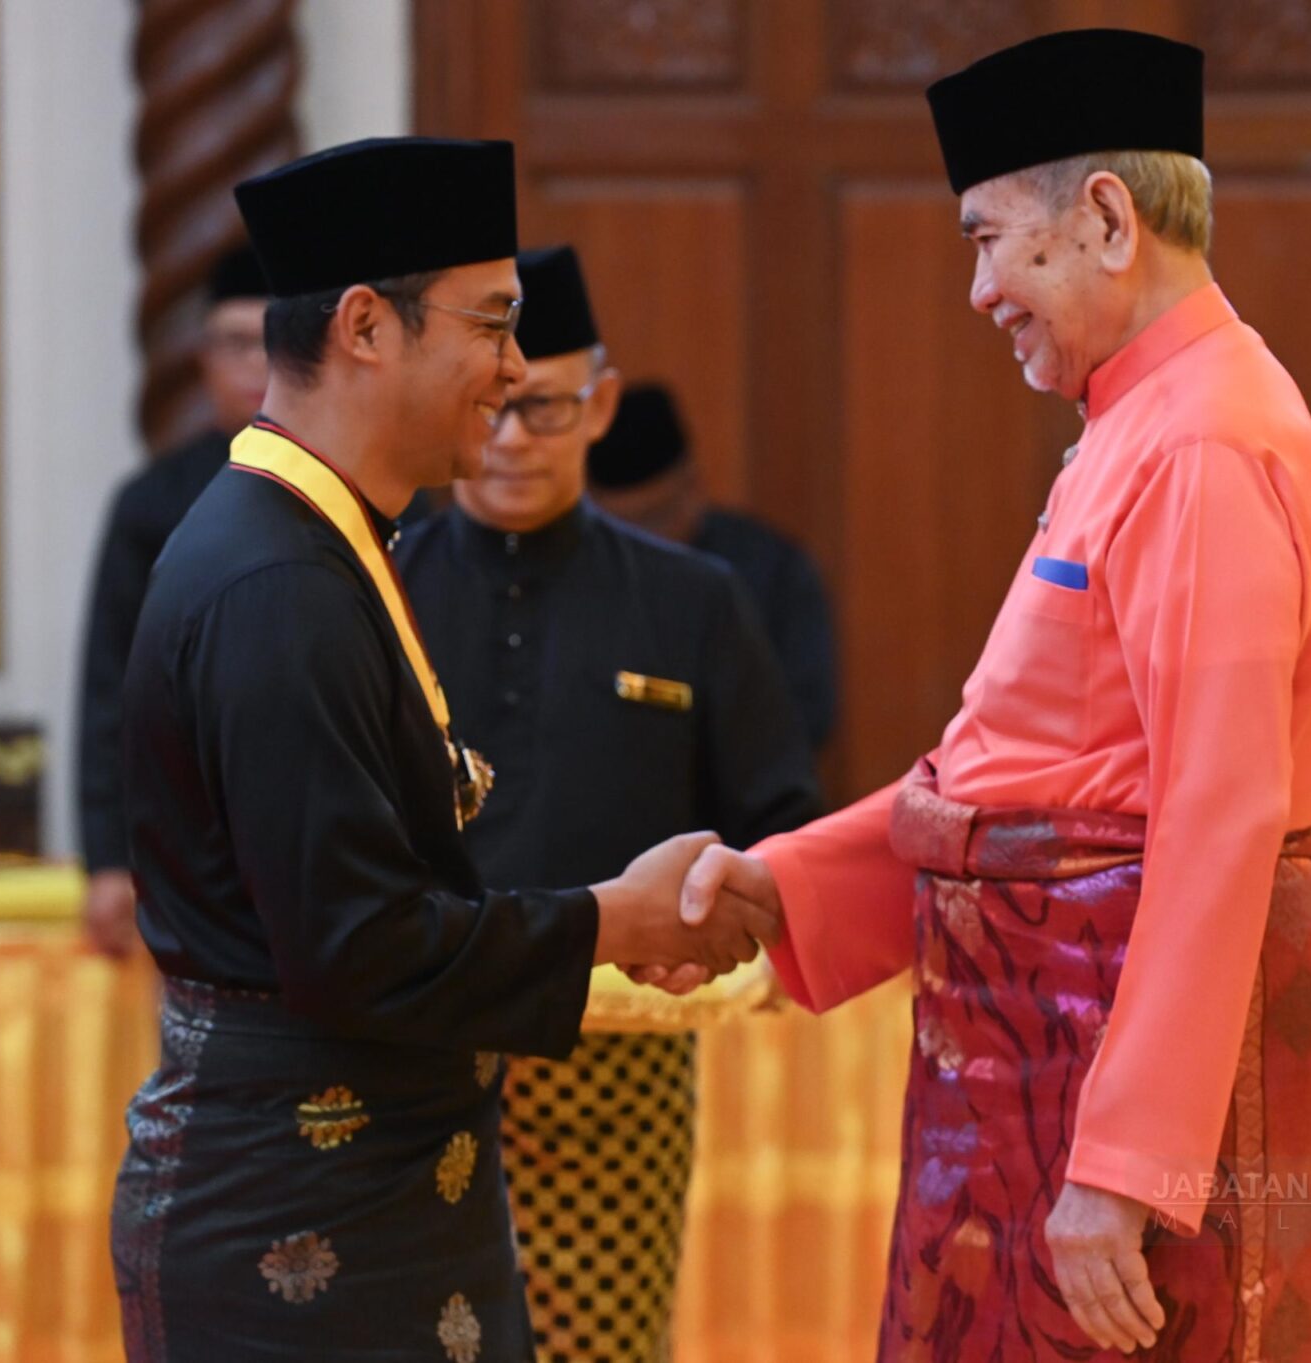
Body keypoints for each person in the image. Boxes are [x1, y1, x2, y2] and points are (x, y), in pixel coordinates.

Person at [673, 30, 1311, 1362]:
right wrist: (784, 887)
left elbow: (1217, 814)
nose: (981, 290)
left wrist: (1128, 1161)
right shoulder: (1140, 417)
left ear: (1105, 218)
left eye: (989, 240)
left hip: (1107, 1065)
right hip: (1034, 1046)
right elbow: (1028, 768)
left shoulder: (1204, 438)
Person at [108, 138, 779, 1363]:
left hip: (371, 1184)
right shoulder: (277, 583)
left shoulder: (320, 540)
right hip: (300, 1214)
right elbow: (355, 946)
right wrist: (612, 919)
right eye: (492, 324)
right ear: (367, 327)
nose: (513, 370)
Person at [396, 243, 821, 1362]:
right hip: (415, 1045)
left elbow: (776, 814)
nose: (510, 440)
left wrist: (731, 918)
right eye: (489, 407)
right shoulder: (377, 593)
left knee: (600, 1345)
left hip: (617, 1064)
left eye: (543, 408)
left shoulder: (693, 600)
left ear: (601, 404)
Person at [77, 243, 268, 955]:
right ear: (204, 358)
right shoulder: (151, 504)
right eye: (236, 343)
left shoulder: (377, 492)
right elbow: (110, 690)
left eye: (275, 342)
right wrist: (107, 857)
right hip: (188, 844)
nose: (257, 366)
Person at [587, 384, 839, 751]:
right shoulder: (585, 571)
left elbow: (808, 713)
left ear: (693, 487)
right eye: (623, 529)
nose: (644, 541)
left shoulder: (771, 570)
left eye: (657, 517)